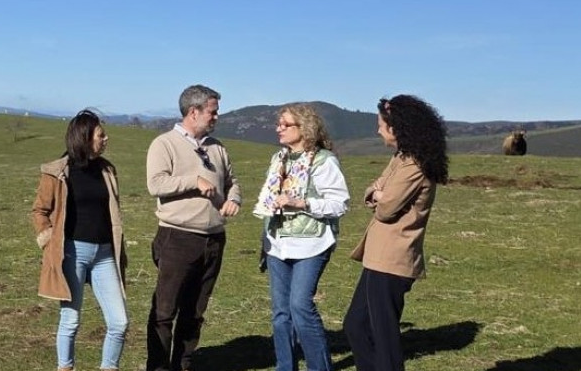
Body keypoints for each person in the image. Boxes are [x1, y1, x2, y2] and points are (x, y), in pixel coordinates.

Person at [342, 95, 449, 371]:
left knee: (384, 337)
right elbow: (373, 191)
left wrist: (379, 194)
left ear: (397, 127)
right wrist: (377, 193)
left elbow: (386, 208)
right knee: (356, 325)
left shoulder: (414, 165)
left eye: (381, 125)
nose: (378, 130)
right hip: (377, 258)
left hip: (393, 260)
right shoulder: (400, 158)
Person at [145, 84, 242, 371]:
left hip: (213, 240)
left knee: (195, 310)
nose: (216, 117)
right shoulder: (164, 144)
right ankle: (159, 366)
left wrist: (233, 198)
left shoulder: (217, 147)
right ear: (193, 111)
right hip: (178, 237)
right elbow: (156, 184)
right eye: (212, 111)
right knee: (165, 310)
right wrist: (194, 180)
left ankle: (183, 364)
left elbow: (232, 181)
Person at [253, 104, 350, 371]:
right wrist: (265, 238)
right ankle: (286, 366)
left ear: (304, 128)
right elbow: (268, 202)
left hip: (312, 243)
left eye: (286, 125)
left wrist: (304, 203)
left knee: (300, 306)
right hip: (277, 243)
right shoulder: (279, 159)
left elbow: (340, 204)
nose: (278, 129)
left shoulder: (323, 161)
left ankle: (319, 367)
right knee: (280, 314)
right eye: (279, 124)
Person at [32, 109, 128, 371]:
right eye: (101, 134)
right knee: (71, 320)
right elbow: (40, 211)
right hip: (73, 252)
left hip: (105, 254)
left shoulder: (108, 170)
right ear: (85, 138)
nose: (106, 139)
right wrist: (49, 242)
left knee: (119, 323)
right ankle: (66, 367)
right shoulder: (57, 172)